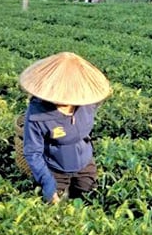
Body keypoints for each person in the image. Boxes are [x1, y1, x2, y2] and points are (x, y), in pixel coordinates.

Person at [19, 51, 113, 204]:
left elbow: (100, 96)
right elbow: (33, 152)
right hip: (55, 168)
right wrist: (48, 184)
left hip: (84, 163)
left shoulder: (87, 103)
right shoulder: (38, 115)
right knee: (54, 207)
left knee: (89, 199)